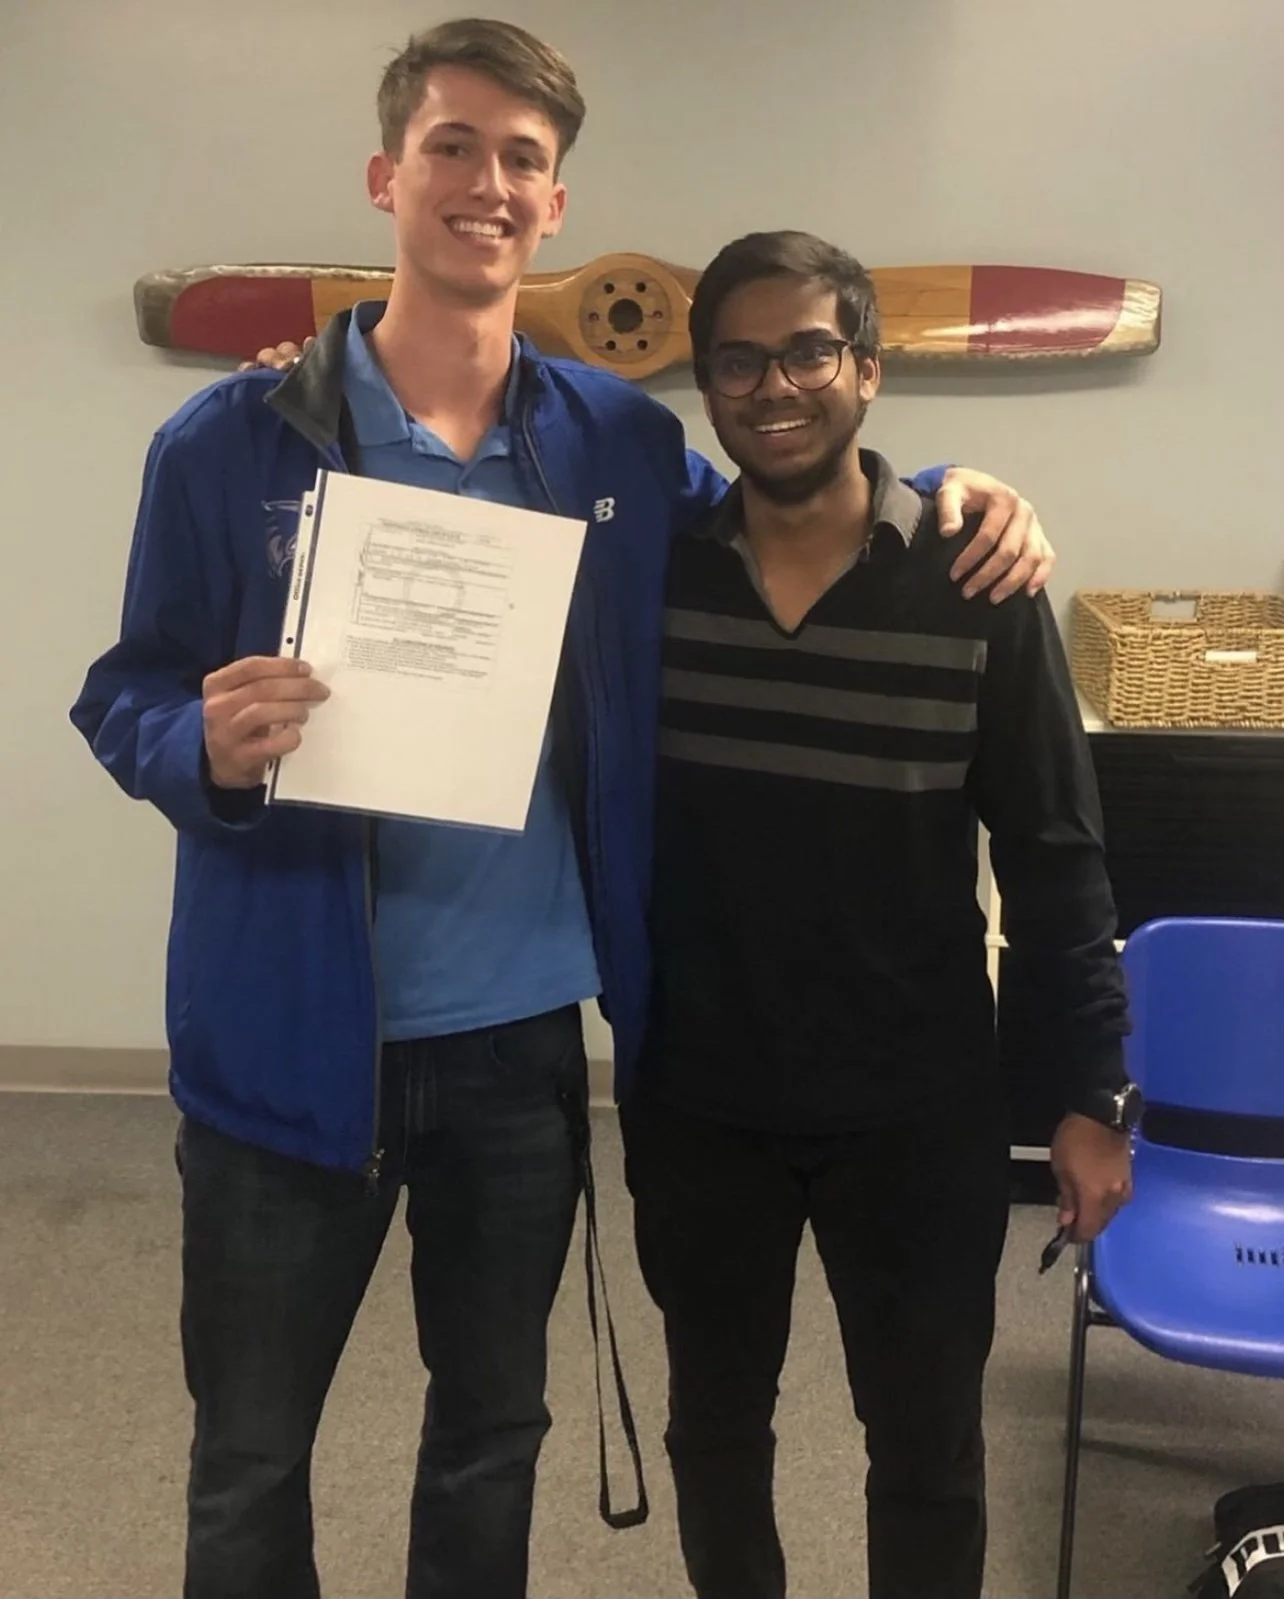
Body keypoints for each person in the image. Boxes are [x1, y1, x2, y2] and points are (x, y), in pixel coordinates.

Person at [71, 20, 1057, 1599]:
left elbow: (782, 504)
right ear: (389, 176)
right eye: (453, 147)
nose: (485, 182)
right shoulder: (230, 442)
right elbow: (124, 691)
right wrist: (198, 741)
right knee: (249, 1455)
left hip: (522, 1049)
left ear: (557, 204)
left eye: (521, 159)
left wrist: (953, 487)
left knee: (492, 1437)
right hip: (286, 1040)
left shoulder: (610, 438)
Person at [618, 229, 1138, 1599]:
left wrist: (1088, 1089)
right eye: (738, 358)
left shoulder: (973, 576)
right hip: (698, 1096)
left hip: (918, 1107)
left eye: (807, 350)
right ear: (707, 380)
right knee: (716, 1431)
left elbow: (1055, 851)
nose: (772, 384)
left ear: (868, 367)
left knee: (926, 1448)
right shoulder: (651, 578)